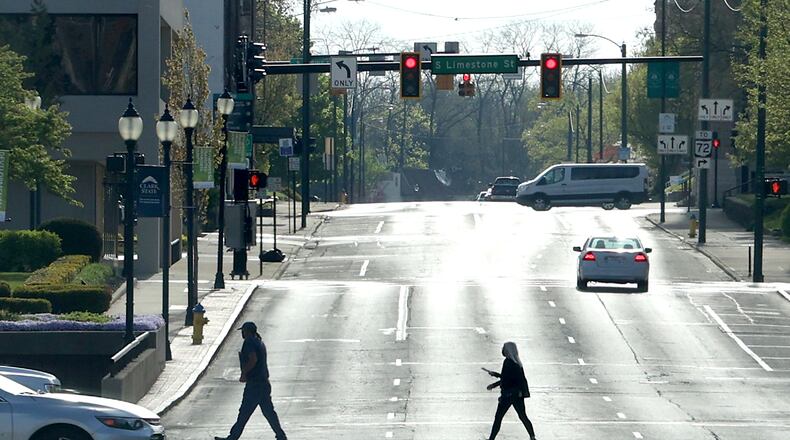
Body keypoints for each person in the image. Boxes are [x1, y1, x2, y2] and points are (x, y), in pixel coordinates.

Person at [215, 321, 287, 440]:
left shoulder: (249, 342)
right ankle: (281, 436)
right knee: (269, 412)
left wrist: (244, 373)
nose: (242, 334)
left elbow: (253, 359)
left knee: (244, 412)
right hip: (264, 383)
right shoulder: (259, 341)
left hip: (255, 384)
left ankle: (232, 438)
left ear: (246, 331)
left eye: (243, 331)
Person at [483, 342, 536, 440]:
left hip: (508, 395)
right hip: (517, 395)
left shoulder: (507, 362)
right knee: (523, 416)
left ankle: (491, 438)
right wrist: (495, 374)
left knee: (498, 418)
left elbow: (506, 379)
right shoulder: (517, 363)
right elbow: (511, 378)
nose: (502, 350)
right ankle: (532, 437)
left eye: (504, 348)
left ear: (507, 350)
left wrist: (493, 384)